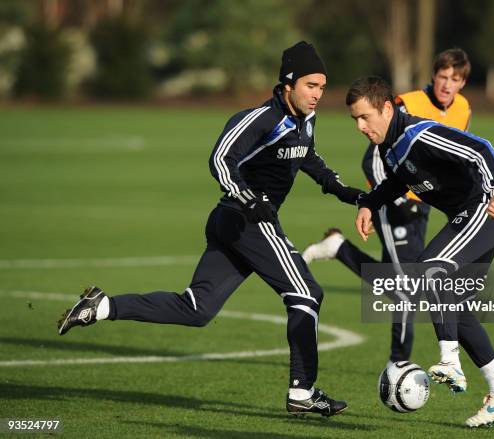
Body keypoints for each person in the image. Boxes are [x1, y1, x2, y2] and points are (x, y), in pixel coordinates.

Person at [57, 41, 365, 418]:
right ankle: (303, 391)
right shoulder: (261, 119)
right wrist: (249, 199)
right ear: (288, 84)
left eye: (321, 86)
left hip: (234, 223)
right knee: (306, 293)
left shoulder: (306, 120)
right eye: (310, 86)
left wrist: (343, 190)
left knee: (197, 309)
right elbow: (220, 158)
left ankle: (102, 306)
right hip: (246, 220)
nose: (318, 94)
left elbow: (308, 157)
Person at [348, 76, 494, 427]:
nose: (360, 126)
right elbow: (398, 181)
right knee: (455, 305)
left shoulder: (419, 133)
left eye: (365, 117)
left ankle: (450, 362)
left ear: (386, 108)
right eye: (355, 119)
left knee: (430, 268)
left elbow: (480, 148)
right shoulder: (390, 146)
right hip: (469, 215)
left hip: (488, 209)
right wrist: (369, 204)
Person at [302, 49, 472, 366]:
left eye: (455, 79)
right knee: (406, 290)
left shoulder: (463, 109)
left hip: (423, 207)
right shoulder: (406, 103)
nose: (447, 85)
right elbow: (374, 159)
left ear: (463, 83)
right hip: (393, 205)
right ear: (433, 75)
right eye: (443, 76)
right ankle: (399, 363)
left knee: (400, 285)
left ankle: (338, 248)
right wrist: (397, 198)